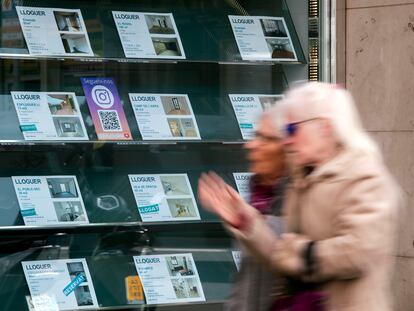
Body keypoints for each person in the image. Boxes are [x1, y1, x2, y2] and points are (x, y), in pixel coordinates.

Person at [198, 82, 401, 311]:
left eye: (293, 130)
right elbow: (280, 256)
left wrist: (303, 253)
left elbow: (360, 252)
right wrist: (245, 221)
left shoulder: (364, 177)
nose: (287, 140)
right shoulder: (303, 177)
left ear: (324, 127)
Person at [225, 110, 288, 311]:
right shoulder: (258, 193)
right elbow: (244, 278)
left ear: (289, 149)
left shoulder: (302, 197)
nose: (251, 145)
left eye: (266, 138)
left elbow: (286, 254)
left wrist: (250, 223)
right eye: (255, 136)